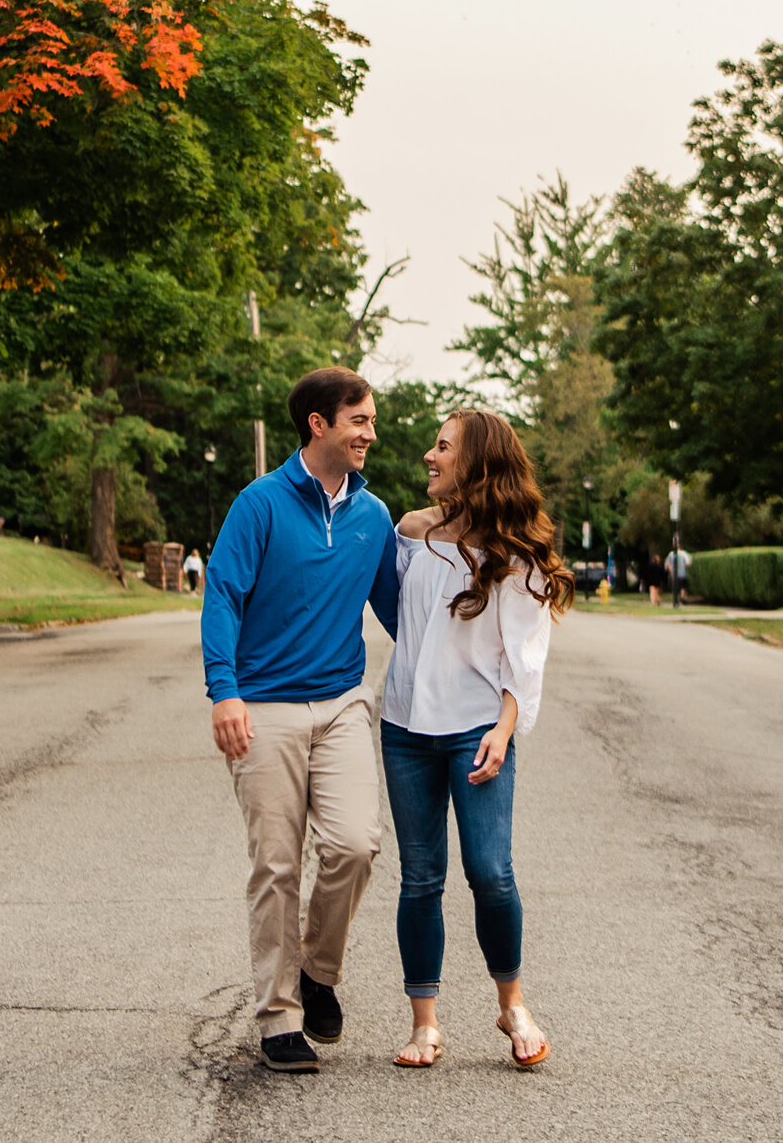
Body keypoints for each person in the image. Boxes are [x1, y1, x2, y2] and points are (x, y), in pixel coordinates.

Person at [201, 366, 401, 1074]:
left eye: (371, 421)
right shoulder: (259, 504)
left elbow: (400, 613)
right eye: (360, 421)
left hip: (342, 702)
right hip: (264, 707)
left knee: (355, 846)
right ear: (319, 424)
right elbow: (221, 594)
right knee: (277, 864)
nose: (371, 434)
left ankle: (318, 972)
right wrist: (224, 691)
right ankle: (281, 1017)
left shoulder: (374, 518)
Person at [380, 408, 573, 1071]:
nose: (429, 457)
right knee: (419, 879)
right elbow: (390, 606)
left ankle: (512, 1004)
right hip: (404, 727)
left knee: (490, 873)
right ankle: (425, 1024)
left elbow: (528, 651)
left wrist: (505, 727)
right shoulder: (410, 532)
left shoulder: (515, 553)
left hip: (475, 731)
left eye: (442, 448)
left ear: (477, 460)